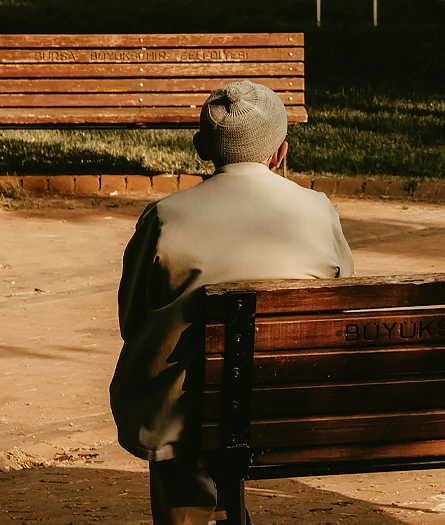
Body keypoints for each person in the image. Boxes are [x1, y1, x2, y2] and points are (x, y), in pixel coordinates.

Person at [110, 80, 354, 525]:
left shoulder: (165, 216)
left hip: (186, 412)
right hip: (291, 400)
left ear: (203, 147)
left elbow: (133, 319)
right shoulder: (318, 209)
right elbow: (339, 300)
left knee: (177, 393)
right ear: (280, 153)